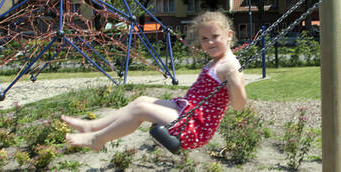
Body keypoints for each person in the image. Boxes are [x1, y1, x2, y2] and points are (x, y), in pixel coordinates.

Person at [62, 11, 247, 151]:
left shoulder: (230, 66)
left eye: (215, 36)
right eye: (204, 39)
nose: (209, 43)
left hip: (195, 127)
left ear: (229, 35)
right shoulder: (216, 61)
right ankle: (92, 126)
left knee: (140, 110)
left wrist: (235, 83)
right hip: (187, 110)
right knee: (141, 101)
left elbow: (238, 105)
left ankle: (98, 139)